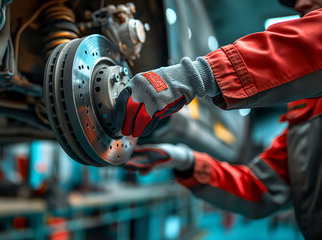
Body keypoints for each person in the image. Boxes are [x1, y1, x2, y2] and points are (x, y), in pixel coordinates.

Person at [113, 0, 322, 239]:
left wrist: (194, 76)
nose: (300, 5)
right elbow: (259, 190)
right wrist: (186, 161)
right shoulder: (308, 107)